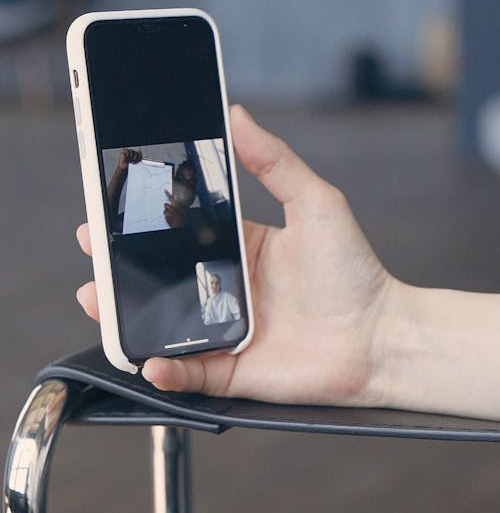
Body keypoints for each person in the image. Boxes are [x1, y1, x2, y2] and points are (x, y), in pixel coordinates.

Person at [77, 104, 500, 421]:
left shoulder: (195, 217)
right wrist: (376, 334)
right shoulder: (153, 204)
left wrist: (377, 335)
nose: (186, 182)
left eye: (191, 178)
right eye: (182, 177)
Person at [106, 151, 200, 232]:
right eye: (180, 178)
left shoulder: (199, 223)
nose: (184, 186)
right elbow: (108, 224)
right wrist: (121, 170)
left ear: (196, 194)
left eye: (191, 183)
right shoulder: (149, 209)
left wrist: (178, 227)